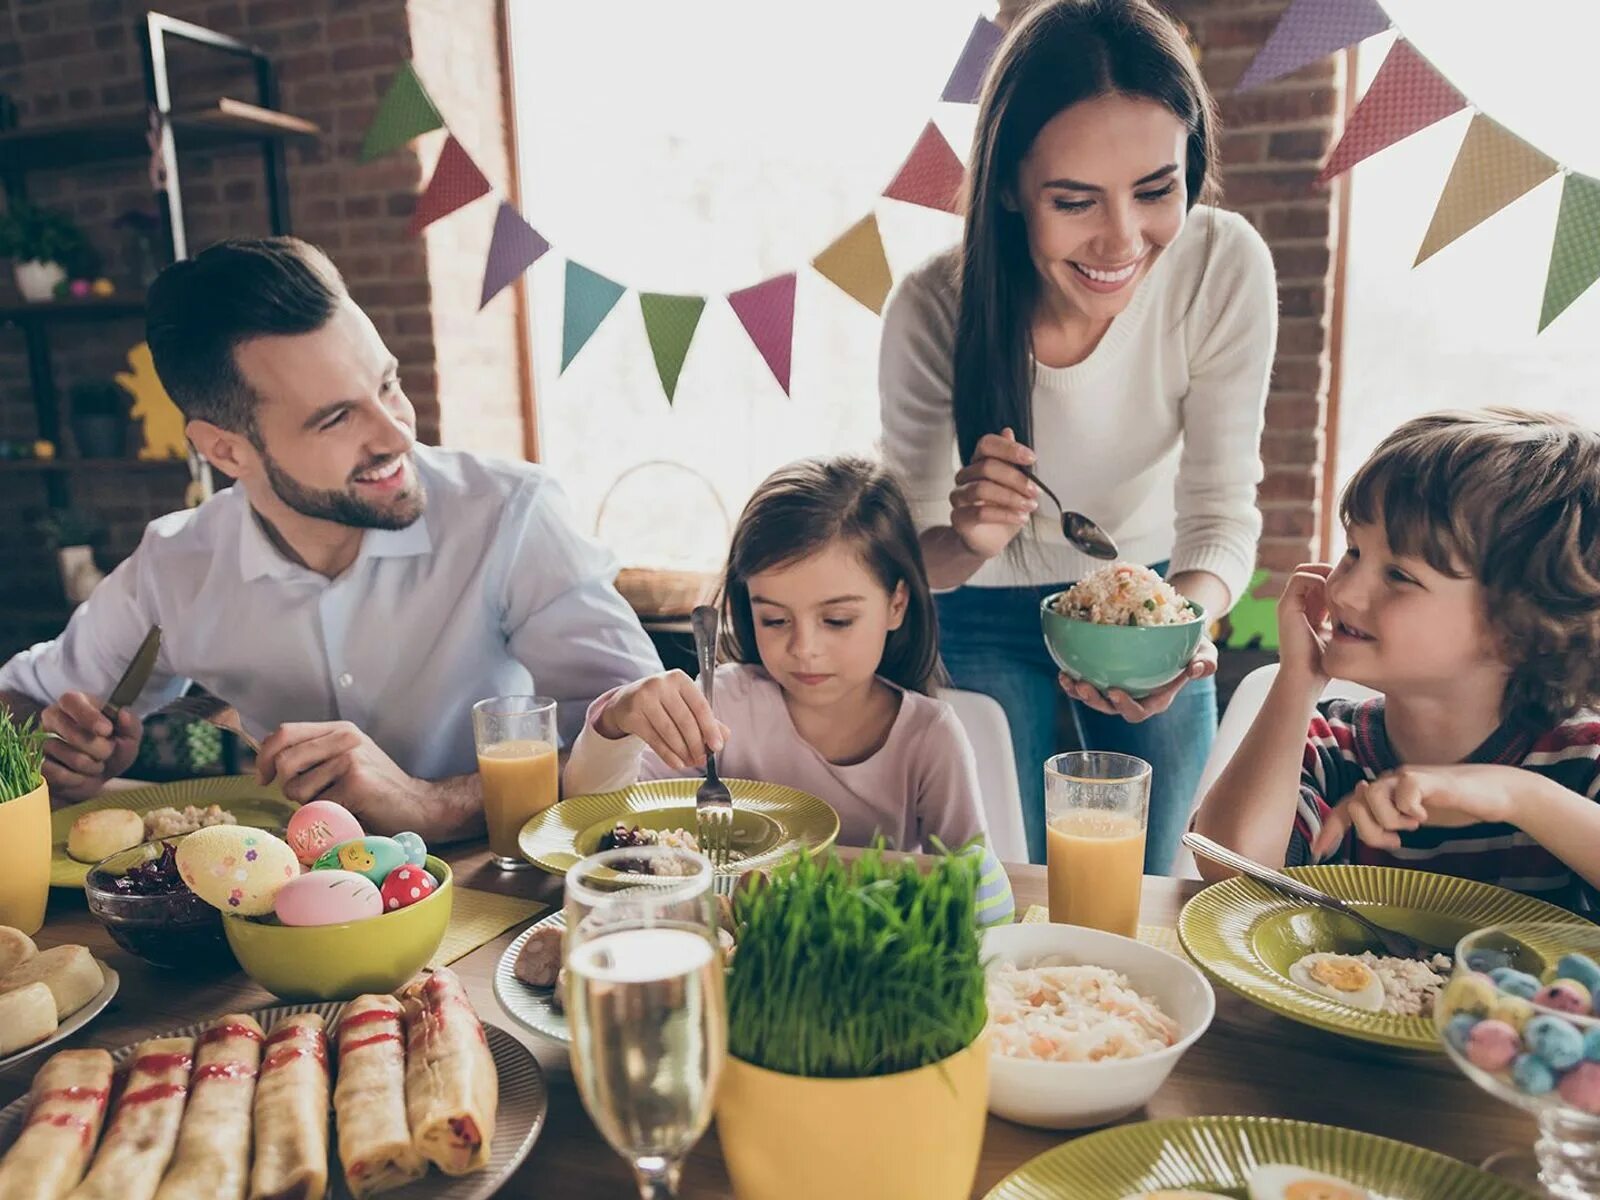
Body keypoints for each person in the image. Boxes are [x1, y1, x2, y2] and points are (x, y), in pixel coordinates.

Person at [0, 237, 662, 841]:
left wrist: (433, 804)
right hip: (267, 918)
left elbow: (655, 754)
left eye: (387, 385)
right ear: (226, 451)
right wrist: (57, 749)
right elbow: (19, 703)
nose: (397, 434)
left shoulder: (510, 516)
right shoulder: (176, 565)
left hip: (500, 893)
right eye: (338, 418)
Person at [879, 0, 1276, 870]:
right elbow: (901, 565)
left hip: (1155, 601)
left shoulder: (1222, 265)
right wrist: (965, 538)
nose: (1122, 240)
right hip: (975, 611)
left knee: (1172, 872)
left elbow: (1219, 512)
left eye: (1156, 189)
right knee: (1005, 876)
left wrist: (1184, 633)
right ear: (1013, 188)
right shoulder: (932, 308)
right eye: (1074, 200)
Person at [563, 456, 1014, 926]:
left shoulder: (929, 738)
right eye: (774, 620)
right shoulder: (728, 704)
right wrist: (616, 721)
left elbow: (980, 893)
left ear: (896, 604)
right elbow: (596, 822)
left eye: (837, 620)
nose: (804, 649)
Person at [1193, 409, 1600, 911]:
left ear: (1520, 630)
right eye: (1354, 551)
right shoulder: (1329, 749)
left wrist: (1517, 796)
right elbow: (1228, 869)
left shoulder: (1582, 762)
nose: (1343, 589)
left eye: (1400, 576)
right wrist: (1298, 680)